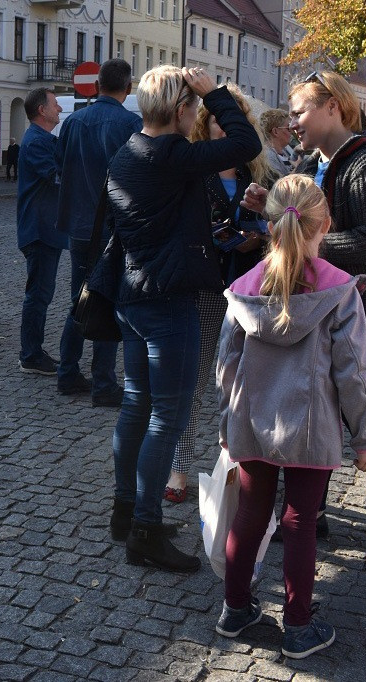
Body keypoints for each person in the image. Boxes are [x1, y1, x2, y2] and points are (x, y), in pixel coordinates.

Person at [242, 70, 366, 568]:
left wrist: (292, 239)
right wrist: (275, 212)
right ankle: (312, 512)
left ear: (333, 108)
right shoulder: (317, 163)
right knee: (315, 412)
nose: (293, 120)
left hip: (364, 313)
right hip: (321, 310)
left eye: (300, 110)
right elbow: (310, 222)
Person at [90, 65, 261, 572]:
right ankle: (145, 529)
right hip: (168, 302)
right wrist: (220, 94)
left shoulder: (127, 151)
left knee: (137, 407)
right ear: (183, 110)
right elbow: (245, 143)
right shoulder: (174, 155)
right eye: (194, 107)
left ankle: (126, 512)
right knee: (168, 415)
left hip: (132, 298)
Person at [215, 174, 366, 659]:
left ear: (269, 225)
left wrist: (227, 424)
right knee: (300, 520)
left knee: (250, 513)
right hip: (310, 425)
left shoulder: (243, 288)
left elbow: (225, 365)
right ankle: (298, 626)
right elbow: (353, 373)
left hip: (250, 418)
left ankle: (235, 608)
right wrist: (365, 438)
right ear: (325, 225)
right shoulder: (340, 291)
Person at [164, 84, 272, 503]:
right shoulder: (192, 170)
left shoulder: (258, 175)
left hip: (248, 289)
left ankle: (242, 470)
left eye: (234, 124)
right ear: (204, 127)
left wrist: (258, 236)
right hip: (204, 288)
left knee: (245, 384)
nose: (225, 131)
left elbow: (280, 229)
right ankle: (178, 469)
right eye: (218, 121)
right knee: (191, 380)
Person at [55, 57, 141, 403]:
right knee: (107, 301)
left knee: (80, 300)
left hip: (79, 225)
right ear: (128, 88)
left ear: (96, 86)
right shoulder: (131, 123)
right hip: (113, 227)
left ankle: (67, 373)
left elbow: (60, 165)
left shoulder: (73, 122)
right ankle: (104, 384)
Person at [16, 88, 66, 375]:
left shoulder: (41, 139)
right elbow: (56, 176)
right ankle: (30, 355)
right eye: (55, 105)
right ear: (42, 111)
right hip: (39, 230)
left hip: (45, 228)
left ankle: (33, 350)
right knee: (38, 295)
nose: (59, 109)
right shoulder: (36, 142)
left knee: (41, 294)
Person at [260, 108, 294, 177]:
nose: (292, 131)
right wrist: (299, 169)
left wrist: (297, 153)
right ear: (275, 131)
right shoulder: (268, 156)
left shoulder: (282, 152)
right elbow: (278, 184)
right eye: (288, 128)